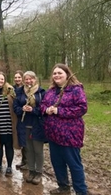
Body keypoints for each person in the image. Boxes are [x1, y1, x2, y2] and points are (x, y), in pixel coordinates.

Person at [41, 64, 88, 195]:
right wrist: (46, 109)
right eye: (54, 73)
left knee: (74, 164)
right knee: (57, 163)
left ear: (67, 74)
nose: (56, 75)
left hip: (69, 135)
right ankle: (63, 187)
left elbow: (82, 108)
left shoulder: (76, 90)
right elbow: (43, 105)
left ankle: (81, 191)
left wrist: (58, 110)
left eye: (59, 73)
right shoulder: (50, 91)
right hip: (53, 135)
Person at [14, 71, 46, 185]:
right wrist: (22, 108)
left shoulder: (41, 92)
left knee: (38, 150)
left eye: (31, 79)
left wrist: (33, 110)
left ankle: (38, 172)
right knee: (29, 150)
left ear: (35, 79)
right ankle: (31, 171)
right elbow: (15, 107)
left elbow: (44, 109)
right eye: (26, 79)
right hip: (24, 125)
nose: (28, 81)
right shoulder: (20, 92)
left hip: (37, 125)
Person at [0, 72, 19, 177]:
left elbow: (16, 104)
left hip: (9, 123)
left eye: (2, 79)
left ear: (4, 80)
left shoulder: (10, 91)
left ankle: (9, 166)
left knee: (9, 146)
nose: (0, 81)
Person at [13, 70, 27, 170]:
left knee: (26, 139)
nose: (17, 79)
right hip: (16, 115)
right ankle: (24, 160)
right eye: (16, 77)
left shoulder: (26, 90)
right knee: (21, 139)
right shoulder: (12, 89)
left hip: (25, 116)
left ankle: (28, 161)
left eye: (19, 77)